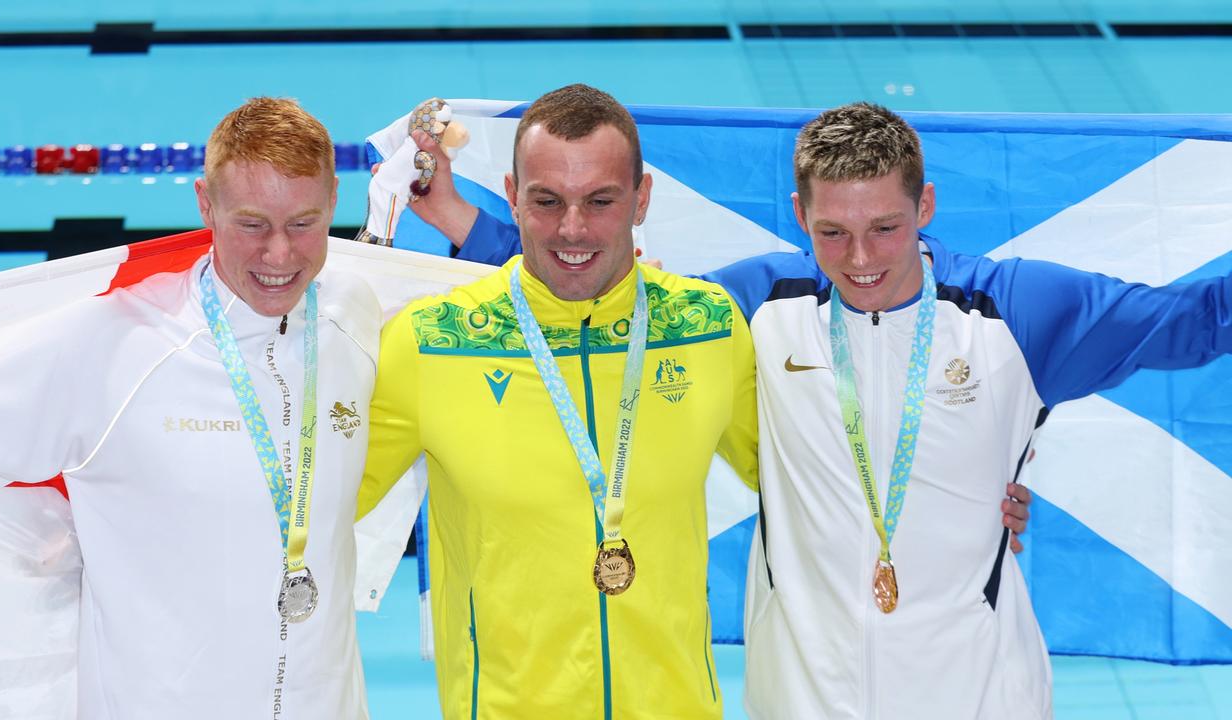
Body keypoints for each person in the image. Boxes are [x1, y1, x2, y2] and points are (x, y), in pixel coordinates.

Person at [391, 98, 1229, 719]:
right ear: (799, 217)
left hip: (980, 693)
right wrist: (469, 222)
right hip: (804, 700)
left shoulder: (1017, 311)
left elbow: (1192, 323)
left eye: (887, 228)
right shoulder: (752, 311)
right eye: (833, 233)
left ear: (926, 208)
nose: (860, 259)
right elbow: (599, 292)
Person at [0, 97, 380, 719]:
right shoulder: (114, 344)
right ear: (205, 204)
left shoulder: (354, 312)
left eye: (303, 224)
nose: (280, 255)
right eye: (252, 224)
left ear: (335, 199)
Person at [356, 83, 759, 719]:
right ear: (514, 198)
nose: (573, 229)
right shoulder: (431, 343)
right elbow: (312, 503)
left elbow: (810, 484)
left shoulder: (709, 326)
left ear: (641, 198)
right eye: (547, 201)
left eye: (600, 201)